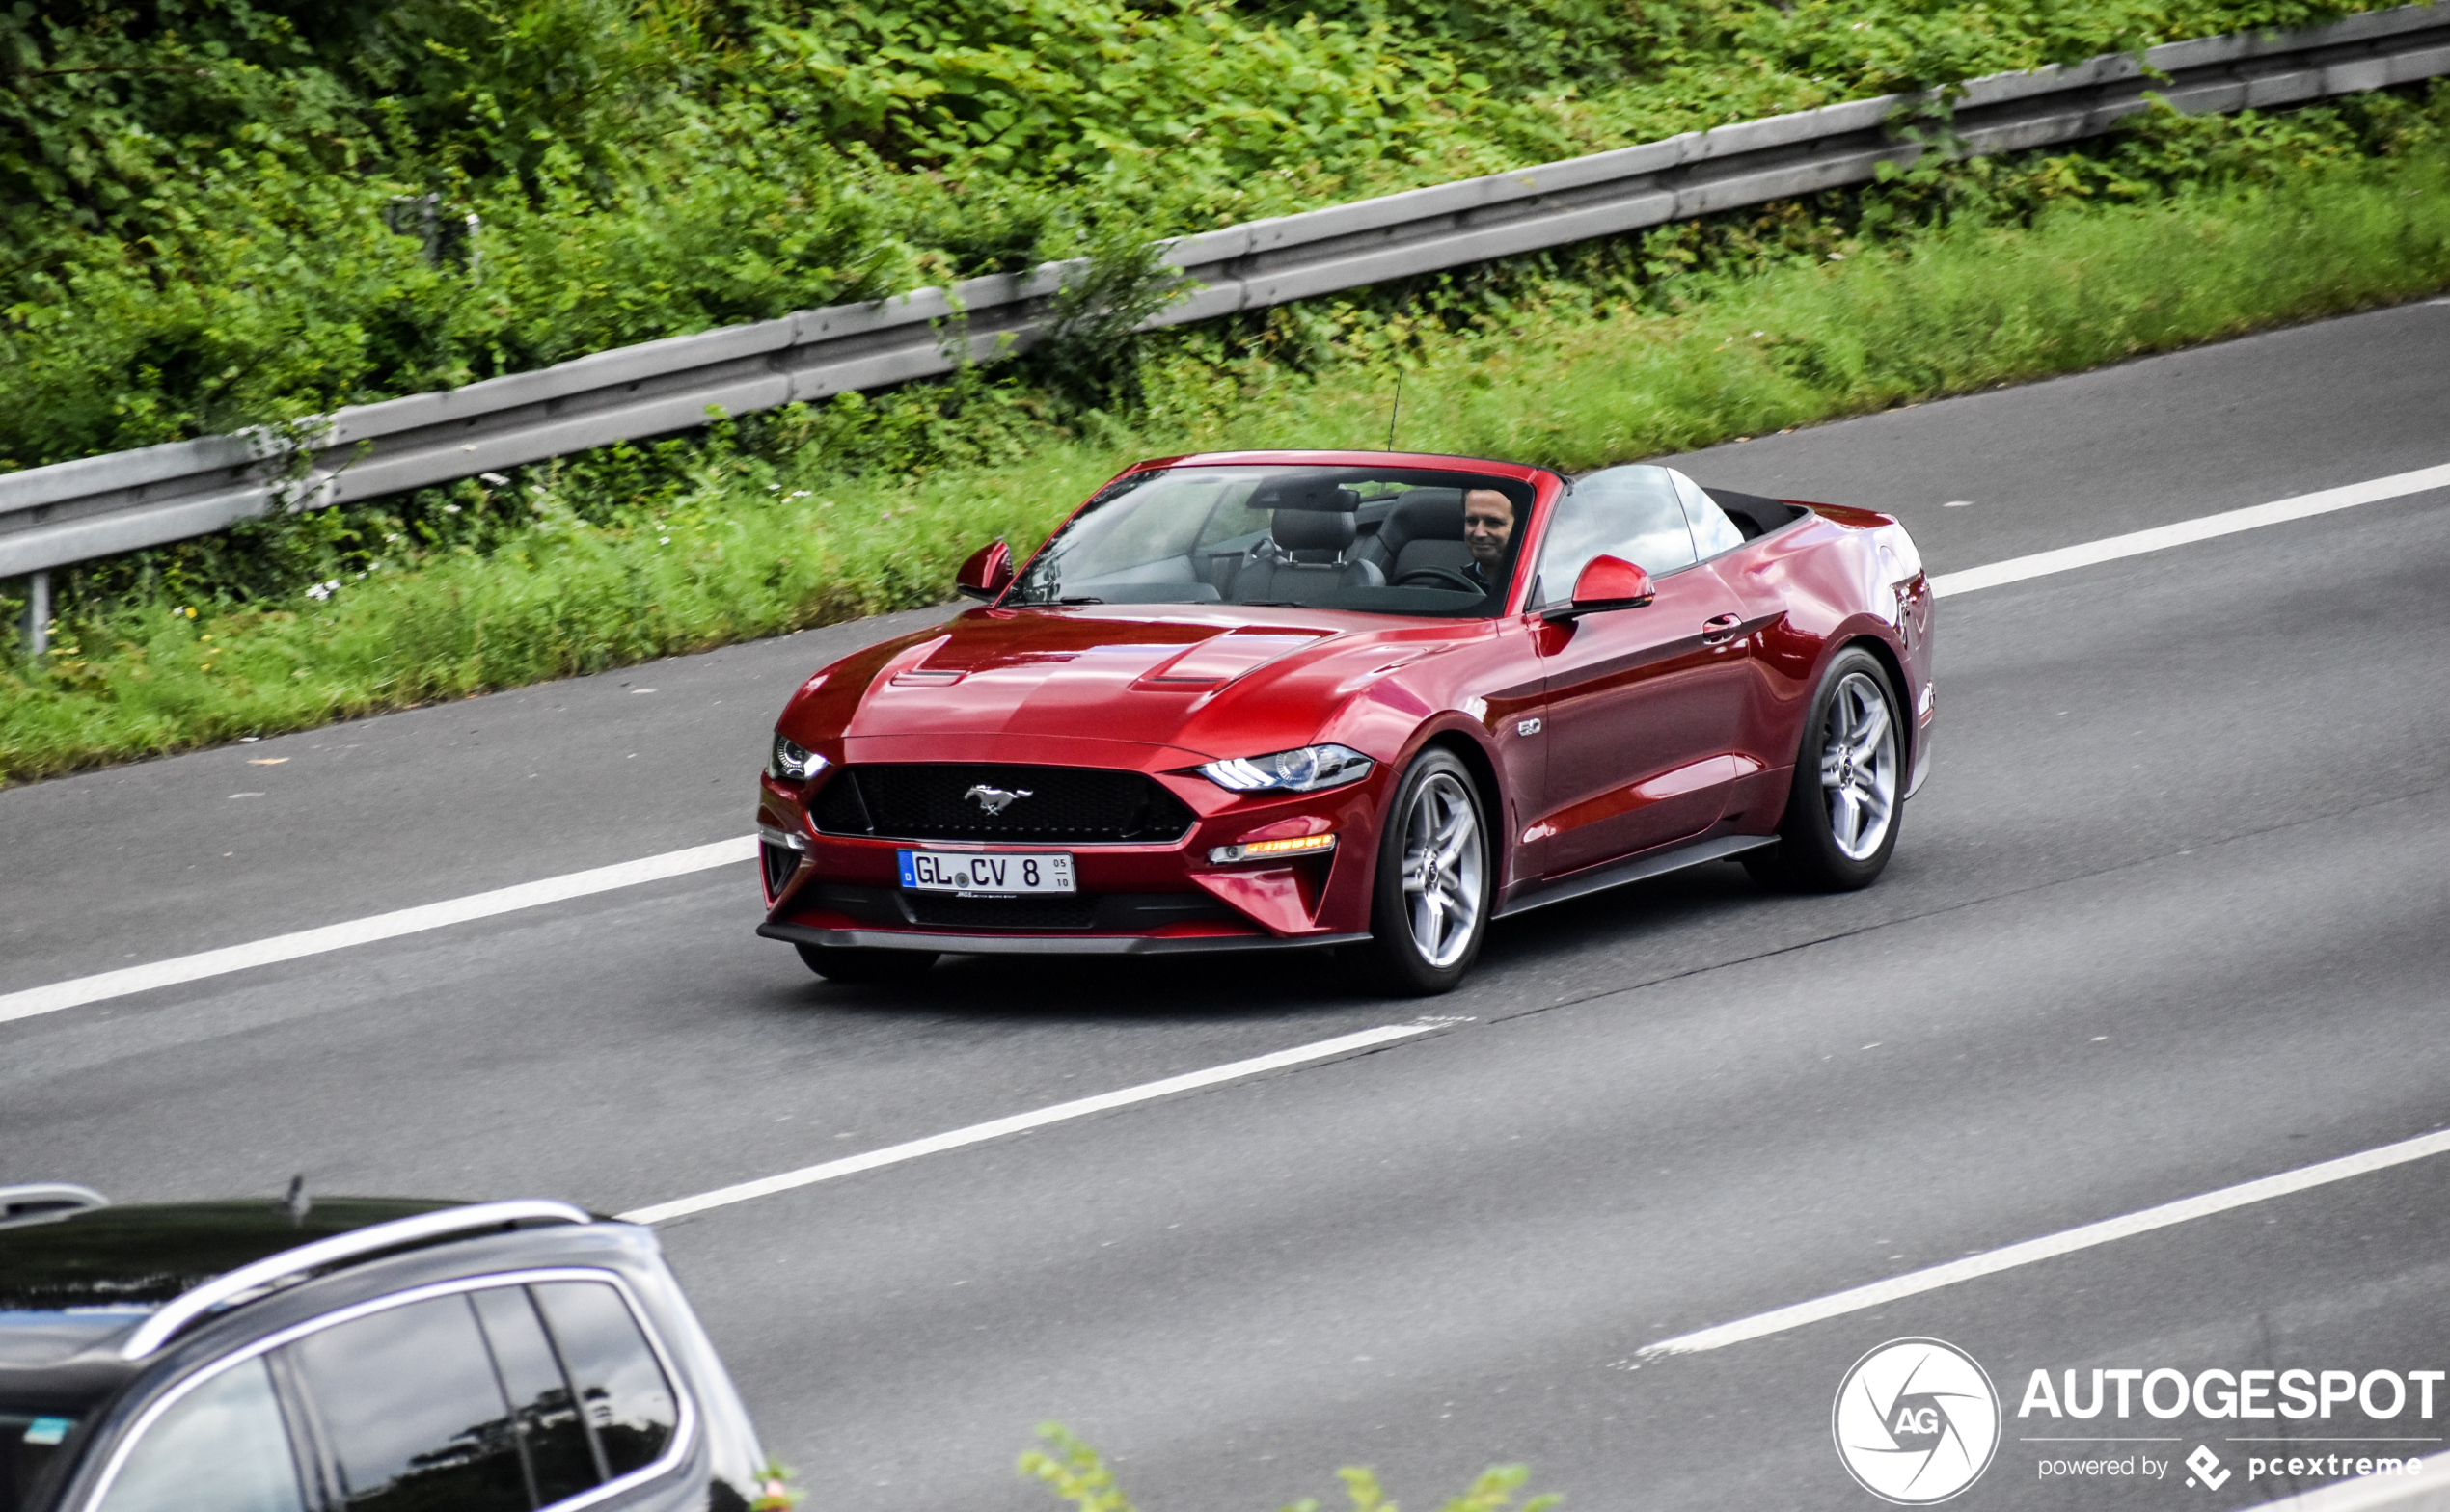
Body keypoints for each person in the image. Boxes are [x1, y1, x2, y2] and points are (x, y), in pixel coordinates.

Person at [1461, 488, 1515, 595]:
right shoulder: (1446, 593)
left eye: (1494, 522)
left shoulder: (1547, 588)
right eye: (1472, 521)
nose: (1479, 533)